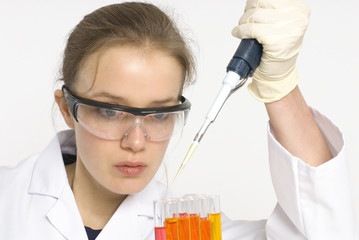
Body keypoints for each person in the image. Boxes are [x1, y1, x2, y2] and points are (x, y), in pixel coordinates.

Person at [0, 0, 357, 239]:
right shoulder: (8, 198)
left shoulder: (189, 231)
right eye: (110, 111)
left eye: (159, 114)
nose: (137, 142)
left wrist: (279, 87)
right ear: (67, 108)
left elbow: (328, 231)